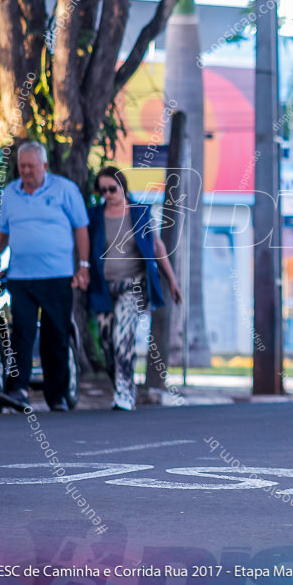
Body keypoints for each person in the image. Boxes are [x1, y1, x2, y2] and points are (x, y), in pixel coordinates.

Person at [0, 141, 90, 412]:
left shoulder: (65, 190)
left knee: (55, 334)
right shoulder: (10, 193)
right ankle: (19, 390)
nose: (25, 171)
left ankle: (56, 396)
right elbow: (5, 229)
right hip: (21, 277)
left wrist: (83, 265)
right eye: (21, 166)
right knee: (21, 333)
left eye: (31, 166)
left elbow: (81, 228)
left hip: (57, 276)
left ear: (44, 166)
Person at [87, 167, 182, 410]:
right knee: (108, 344)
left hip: (133, 287)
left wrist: (171, 280)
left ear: (123, 187)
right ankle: (124, 385)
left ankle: (123, 395)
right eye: (102, 190)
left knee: (123, 338)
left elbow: (157, 245)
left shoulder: (140, 212)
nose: (107, 194)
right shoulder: (95, 216)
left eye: (112, 189)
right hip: (103, 288)